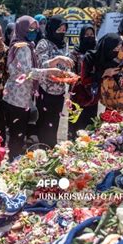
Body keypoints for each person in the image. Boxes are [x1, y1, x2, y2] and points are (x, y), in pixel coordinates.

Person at [3, 15, 63, 161]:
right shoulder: (23, 47)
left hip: (19, 97)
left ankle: (14, 162)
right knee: (17, 136)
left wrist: (54, 62)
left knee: (17, 134)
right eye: (30, 28)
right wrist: (49, 72)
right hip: (17, 98)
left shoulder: (25, 44)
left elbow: (33, 67)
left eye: (35, 29)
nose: (34, 31)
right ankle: (13, 165)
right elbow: (27, 72)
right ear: (22, 28)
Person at [35, 15, 74, 148]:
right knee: (44, 123)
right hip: (45, 90)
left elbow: (66, 64)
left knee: (54, 122)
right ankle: (42, 149)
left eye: (64, 30)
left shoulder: (64, 44)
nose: (62, 33)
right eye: (59, 30)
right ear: (52, 29)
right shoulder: (43, 43)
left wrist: (68, 73)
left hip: (60, 90)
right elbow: (41, 65)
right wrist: (57, 59)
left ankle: (51, 148)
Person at [68, 24, 97, 139]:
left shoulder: (97, 50)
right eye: (86, 35)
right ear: (81, 36)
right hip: (78, 90)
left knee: (90, 118)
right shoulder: (75, 52)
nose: (89, 37)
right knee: (76, 118)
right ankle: (73, 141)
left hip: (92, 91)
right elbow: (71, 72)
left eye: (91, 35)